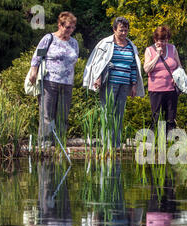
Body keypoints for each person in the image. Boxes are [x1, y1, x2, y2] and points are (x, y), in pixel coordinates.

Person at [83, 17, 145, 148]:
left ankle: (116, 144)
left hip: (125, 84)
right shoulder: (105, 43)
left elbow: (133, 66)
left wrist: (134, 85)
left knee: (119, 114)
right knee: (107, 113)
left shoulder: (130, 46)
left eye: (126, 30)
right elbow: (98, 63)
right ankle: (106, 142)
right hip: (110, 83)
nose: (123, 33)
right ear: (114, 30)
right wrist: (97, 77)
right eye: (121, 30)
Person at [29, 12, 79, 147]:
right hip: (49, 81)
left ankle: (59, 144)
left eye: (73, 28)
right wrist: (34, 71)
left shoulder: (74, 42)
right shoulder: (49, 38)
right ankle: (45, 144)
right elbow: (37, 55)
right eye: (68, 27)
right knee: (47, 115)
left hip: (67, 83)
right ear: (60, 25)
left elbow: (74, 60)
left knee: (63, 116)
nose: (70, 30)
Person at [144, 26, 183, 133]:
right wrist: (157, 55)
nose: (164, 43)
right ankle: (155, 141)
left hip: (171, 89)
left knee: (170, 118)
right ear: (155, 40)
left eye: (166, 40)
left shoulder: (172, 48)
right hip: (156, 89)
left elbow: (179, 66)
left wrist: (177, 77)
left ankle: (169, 141)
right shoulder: (149, 50)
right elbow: (147, 69)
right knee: (156, 118)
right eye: (161, 40)